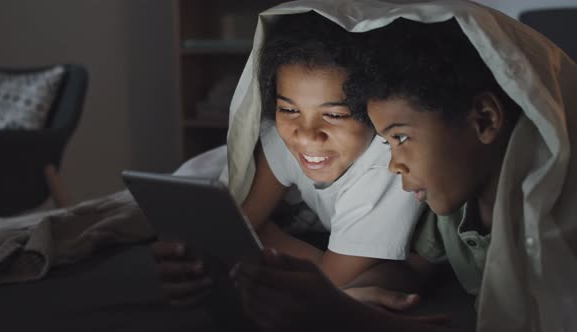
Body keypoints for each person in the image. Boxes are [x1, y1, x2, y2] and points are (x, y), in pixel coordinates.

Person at [231, 1, 577, 332]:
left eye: (401, 138)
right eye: (388, 142)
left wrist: (347, 315)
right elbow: (414, 268)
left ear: (484, 119)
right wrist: (357, 296)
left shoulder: (554, 215)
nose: (394, 165)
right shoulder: (449, 208)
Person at [153, 10, 424, 309]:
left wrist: (265, 236)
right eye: (289, 110)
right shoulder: (281, 136)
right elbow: (243, 222)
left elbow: (328, 280)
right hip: (330, 248)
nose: (306, 135)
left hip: (412, 255)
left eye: (334, 115)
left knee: (394, 275)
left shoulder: (386, 165)